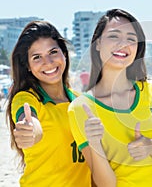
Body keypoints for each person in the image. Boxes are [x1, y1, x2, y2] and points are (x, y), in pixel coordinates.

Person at [68, 9, 152, 187]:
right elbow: (106, 185)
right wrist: (94, 143)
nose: (123, 44)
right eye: (114, 36)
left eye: (131, 38)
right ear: (97, 44)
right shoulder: (80, 108)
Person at [6, 21, 93, 186]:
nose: (48, 62)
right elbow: (29, 120)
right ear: (29, 66)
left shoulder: (82, 102)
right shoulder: (26, 98)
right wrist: (31, 130)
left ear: (64, 54)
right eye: (37, 57)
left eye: (53, 52)